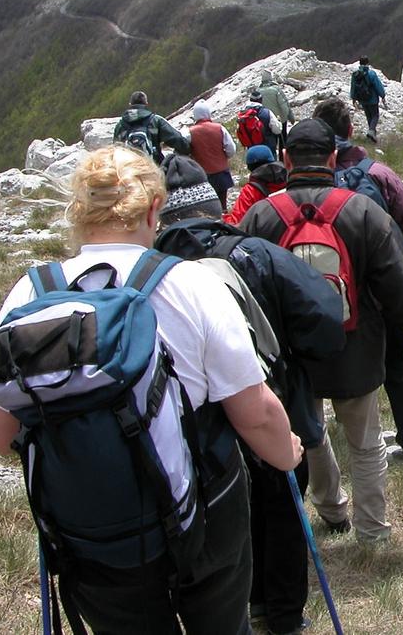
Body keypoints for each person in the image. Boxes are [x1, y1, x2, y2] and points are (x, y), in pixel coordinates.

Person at [0, 146, 302, 634]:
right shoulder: (191, 284)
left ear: (78, 213)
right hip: (204, 510)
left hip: (92, 531)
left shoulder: (32, 294)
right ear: (154, 210)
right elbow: (253, 411)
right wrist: (287, 454)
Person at [155, 156, 344, 635]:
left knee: (214, 513)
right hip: (268, 400)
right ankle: (281, 614)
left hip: (190, 425)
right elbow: (324, 314)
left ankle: (233, 607)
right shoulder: (253, 253)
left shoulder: (149, 272)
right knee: (280, 504)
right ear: (214, 208)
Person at [239, 118, 403, 544]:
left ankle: (331, 511)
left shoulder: (260, 216)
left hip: (292, 353)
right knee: (365, 443)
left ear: (286, 159)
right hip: (356, 347)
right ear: (332, 158)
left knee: (309, 432)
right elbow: (398, 280)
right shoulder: (361, 211)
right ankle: (373, 530)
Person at [314, 97, 403, 462]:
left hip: (327, 291)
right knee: (396, 362)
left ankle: (327, 441)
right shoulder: (377, 174)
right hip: (381, 289)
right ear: (350, 129)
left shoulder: (305, 184)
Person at [113, 90, 189, 164]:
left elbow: (116, 149)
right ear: (146, 103)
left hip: (129, 169)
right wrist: (187, 148)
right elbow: (177, 139)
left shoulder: (120, 125)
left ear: (130, 104)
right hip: (153, 167)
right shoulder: (155, 120)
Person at [224, 144, 288, 226]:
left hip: (264, 231)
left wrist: (224, 219)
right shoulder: (290, 179)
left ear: (249, 167)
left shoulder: (251, 190)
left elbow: (237, 221)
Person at [187, 100, 236, 206]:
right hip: (221, 172)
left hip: (203, 175)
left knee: (208, 206)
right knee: (223, 203)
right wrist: (223, 158)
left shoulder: (190, 132)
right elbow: (231, 149)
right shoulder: (220, 128)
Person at [257, 70, 295, 156]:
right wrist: (290, 117)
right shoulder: (276, 89)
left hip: (266, 120)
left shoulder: (258, 91)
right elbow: (284, 105)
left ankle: (272, 159)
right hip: (280, 119)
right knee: (283, 140)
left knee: (270, 141)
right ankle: (283, 158)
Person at [349, 57, 387, 142]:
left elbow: (353, 86)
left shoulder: (355, 74)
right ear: (367, 63)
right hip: (372, 99)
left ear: (360, 63)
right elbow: (378, 85)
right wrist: (382, 95)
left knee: (369, 116)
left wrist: (353, 98)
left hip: (362, 99)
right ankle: (371, 131)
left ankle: (372, 135)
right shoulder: (371, 74)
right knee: (375, 115)